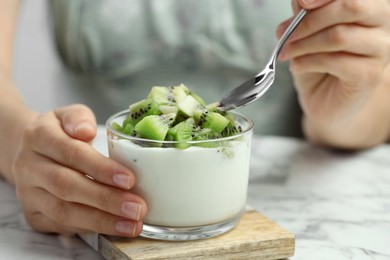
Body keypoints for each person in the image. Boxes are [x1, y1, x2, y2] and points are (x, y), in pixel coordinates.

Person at [1, 0, 389, 238]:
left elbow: (369, 114)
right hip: (106, 190)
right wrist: (21, 141)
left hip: (303, 207)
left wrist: (344, 112)